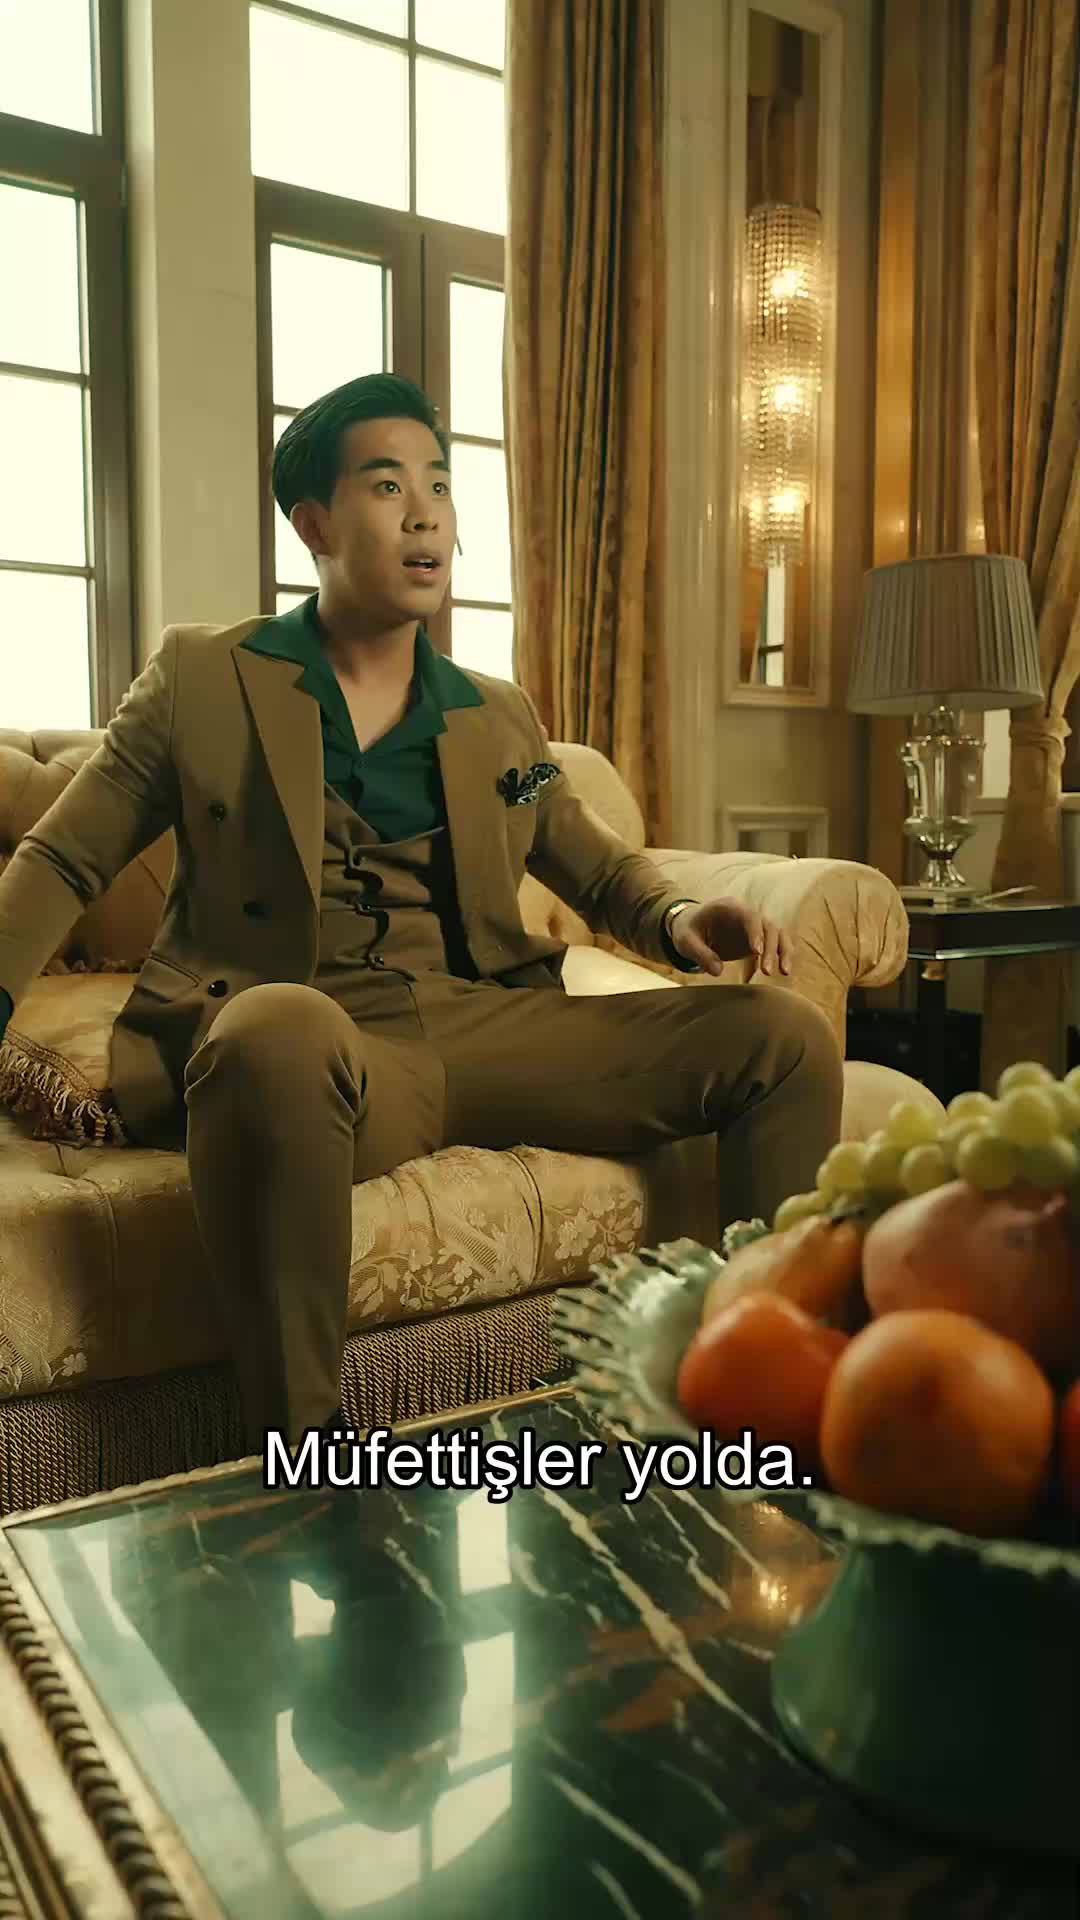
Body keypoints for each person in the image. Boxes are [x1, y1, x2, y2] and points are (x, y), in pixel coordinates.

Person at [0, 373, 842, 1452]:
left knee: (781, 1038)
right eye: (388, 485)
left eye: (439, 487)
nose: (425, 515)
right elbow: (63, 859)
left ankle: (758, 1417)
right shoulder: (204, 678)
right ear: (313, 523)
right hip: (319, 1039)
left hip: (488, 1026)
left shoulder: (495, 714)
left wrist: (681, 919)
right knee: (274, 1029)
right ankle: (302, 1461)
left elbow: (594, 865)